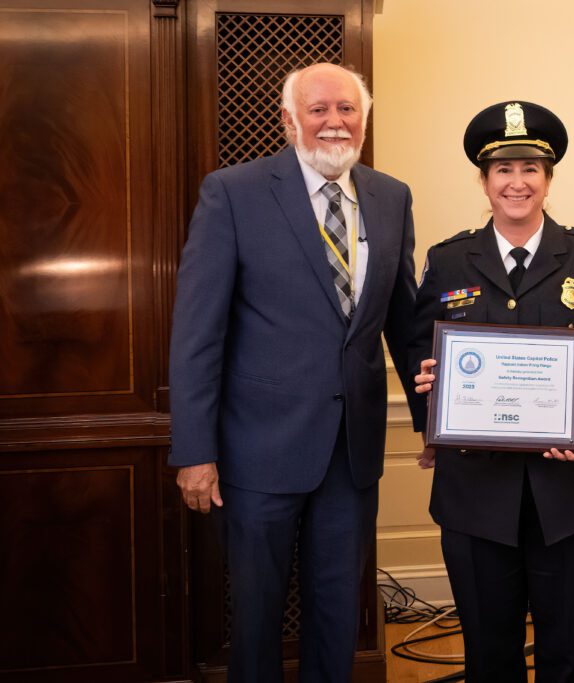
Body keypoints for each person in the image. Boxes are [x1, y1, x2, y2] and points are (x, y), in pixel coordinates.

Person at [169, 63, 418, 682]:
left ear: (364, 119)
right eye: (318, 109)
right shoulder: (233, 193)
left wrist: (436, 423)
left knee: (338, 608)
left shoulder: (392, 196)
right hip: (259, 450)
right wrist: (194, 451)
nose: (335, 122)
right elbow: (198, 334)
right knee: (256, 614)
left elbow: (405, 324)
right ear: (288, 120)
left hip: (352, 452)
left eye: (347, 109)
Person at [409, 101, 574, 682]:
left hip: (566, 494)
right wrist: (432, 401)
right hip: (475, 493)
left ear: (549, 178)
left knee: (564, 655)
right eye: (503, 171)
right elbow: (420, 353)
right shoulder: (446, 260)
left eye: (530, 169)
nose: (517, 183)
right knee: (489, 654)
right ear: (484, 182)